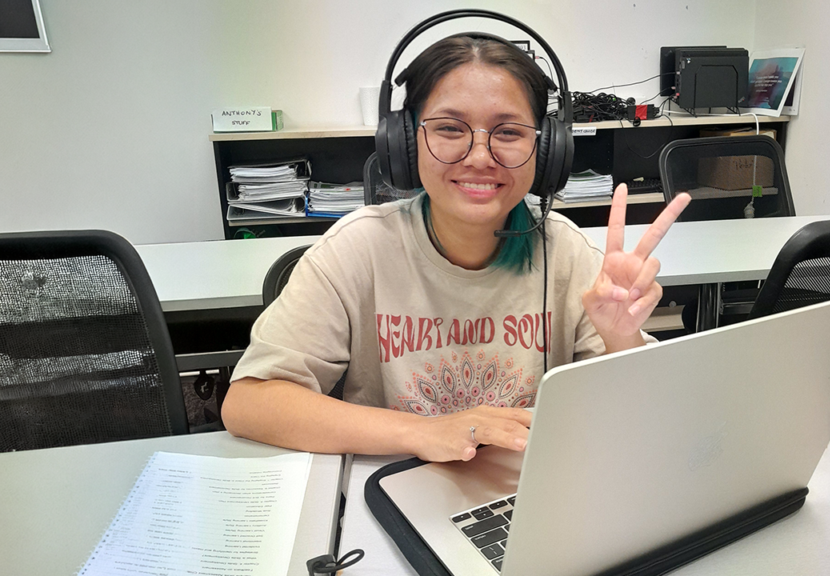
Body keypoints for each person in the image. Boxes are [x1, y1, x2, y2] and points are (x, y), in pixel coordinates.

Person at [221, 34, 690, 463]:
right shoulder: (359, 247)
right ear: (404, 143)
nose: (481, 157)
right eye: (449, 128)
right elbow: (249, 403)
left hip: (529, 493)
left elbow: (639, 416)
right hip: (391, 486)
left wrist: (620, 337)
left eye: (508, 132)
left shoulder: (566, 251)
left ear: (546, 152)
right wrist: (423, 432)